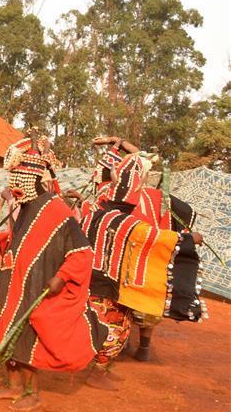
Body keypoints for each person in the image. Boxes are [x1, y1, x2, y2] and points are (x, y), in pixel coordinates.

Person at [0, 135, 105, 411]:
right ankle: (13, 385)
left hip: (35, 287)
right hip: (13, 284)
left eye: (17, 177)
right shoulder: (25, 208)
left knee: (24, 337)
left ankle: (32, 392)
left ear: (31, 177)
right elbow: (20, 243)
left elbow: (81, 253)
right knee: (6, 331)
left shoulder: (56, 210)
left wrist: (61, 277)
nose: (12, 184)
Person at [81, 148, 206, 389]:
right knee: (113, 328)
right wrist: (189, 239)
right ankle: (97, 374)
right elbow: (154, 237)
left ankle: (103, 368)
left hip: (102, 280)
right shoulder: (123, 219)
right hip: (104, 283)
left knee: (121, 325)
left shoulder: (99, 211)